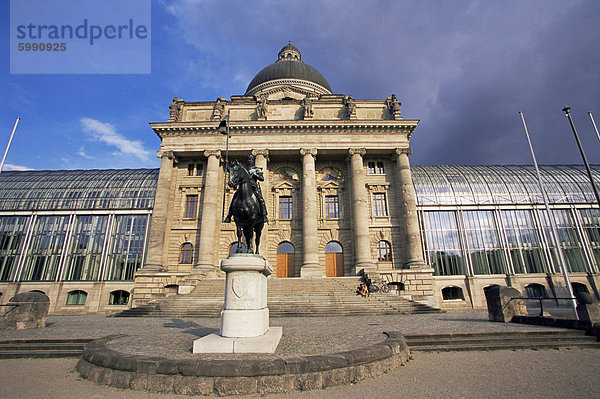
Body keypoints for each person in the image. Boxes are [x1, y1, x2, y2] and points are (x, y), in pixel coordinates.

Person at [223, 154, 268, 224]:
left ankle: (264, 215)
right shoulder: (242, 169)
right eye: (248, 159)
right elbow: (235, 175)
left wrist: (255, 175)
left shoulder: (257, 169)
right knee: (234, 198)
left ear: (253, 161)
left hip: (253, 187)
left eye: (251, 159)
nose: (250, 161)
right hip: (243, 187)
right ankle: (229, 215)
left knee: (260, 199)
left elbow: (262, 179)